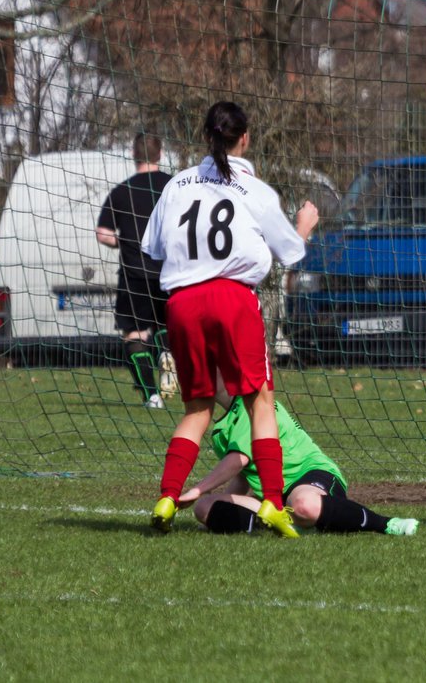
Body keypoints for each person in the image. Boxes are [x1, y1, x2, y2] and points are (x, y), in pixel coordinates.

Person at [143, 100, 320, 538]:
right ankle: (275, 504)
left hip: (182, 302)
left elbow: (153, 248)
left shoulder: (177, 184)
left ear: (206, 136)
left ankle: (167, 498)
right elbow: (290, 253)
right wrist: (303, 226)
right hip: (231, 299)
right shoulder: (255, 189)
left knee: (196, 409)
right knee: (260, 402)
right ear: (245, 138)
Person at [181, 383, 418, 537]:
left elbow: (239, 460)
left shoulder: (252, 404)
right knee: (205, 508)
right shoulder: (221, 427)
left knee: (304, 504)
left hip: (312, 476)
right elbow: (245, 475)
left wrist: (196, 489)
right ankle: (292, 527)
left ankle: (385, 523)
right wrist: (220, 512)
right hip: (273, 498)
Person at [96, 132, 174, 410]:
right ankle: (167, 354)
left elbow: (102, 233)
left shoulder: (121, 191)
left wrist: (122, 241)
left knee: (136, 335)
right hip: (170, 273)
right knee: (169, 327)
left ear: (133, 154)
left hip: (134, 274)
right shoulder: (173, 186)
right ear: (160, 153)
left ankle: (151, 395)